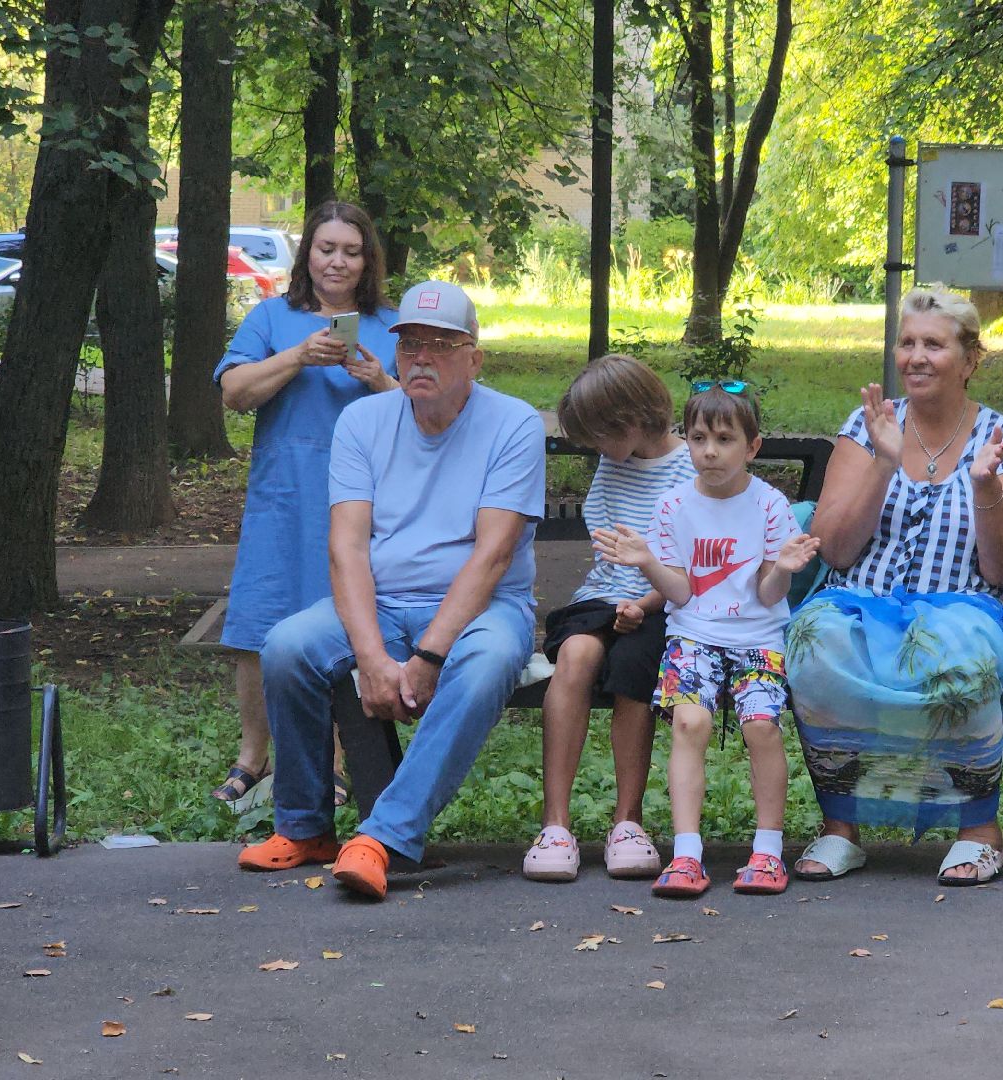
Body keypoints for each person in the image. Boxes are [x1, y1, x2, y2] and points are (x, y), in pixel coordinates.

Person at [237, 280, 545, 901]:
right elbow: (346, 547)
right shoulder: (363, 420)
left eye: (441, 345)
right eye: (410, 345)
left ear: (474, 358)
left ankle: (384, 837)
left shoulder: (513, 423)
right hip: (382, 602)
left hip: (483, 609)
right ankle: (306, 826)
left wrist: (428, 656)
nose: (421, 358)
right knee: (288, 647)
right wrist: (374, 658)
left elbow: (493, 556)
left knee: (485, 664)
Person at [787, 288, 1003, 886]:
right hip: (860, 601)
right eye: (908, 343)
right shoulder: (868, 425)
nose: (917, 357)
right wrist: (882, 461)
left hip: (966, 606)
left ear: (970, 358)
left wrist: (986, 490)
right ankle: (840, 828)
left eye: (934, 344)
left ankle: (979, 830)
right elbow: (835, 547)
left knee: (963, 656)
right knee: (816, 639)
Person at [592, 384, 819, 898]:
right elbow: (680, 592)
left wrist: (782, 569)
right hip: (692, 635)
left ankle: (767, 852)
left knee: (761, 725)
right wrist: (646, 560)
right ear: (686, 441)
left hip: (758, 637)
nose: (709, 451)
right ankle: (687, 855)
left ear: (752, 447)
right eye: (698, 438)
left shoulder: (769, 506)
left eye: (724, 438)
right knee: (689, 722)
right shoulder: (673, 505)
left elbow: (767, 594)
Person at [210, 201, 399, 806]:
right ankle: (252, 760)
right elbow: (235, 394)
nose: (337, 261)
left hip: (364, 502)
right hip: (284, 493)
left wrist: (379, 382)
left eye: (350, 250)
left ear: (368, 259)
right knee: (258, 623)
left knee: (347, 624)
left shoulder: (392, 327)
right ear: (307, 255)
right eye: (326, 249)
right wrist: (298, 357)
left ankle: (339, 763)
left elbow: (428, 418)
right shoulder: (272, 317)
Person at [523, 355, 693, 883]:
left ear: (632, 421)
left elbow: (691, 563)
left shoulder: (691, 467)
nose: (594, 449)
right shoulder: (614, 459)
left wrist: (642, 605)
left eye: (599, 436)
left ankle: (628, 821)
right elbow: (605, 543)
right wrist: (617, 603)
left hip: (665, 598)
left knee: (635, 666)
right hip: (605, 592)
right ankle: (555, 824)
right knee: (576, 653)